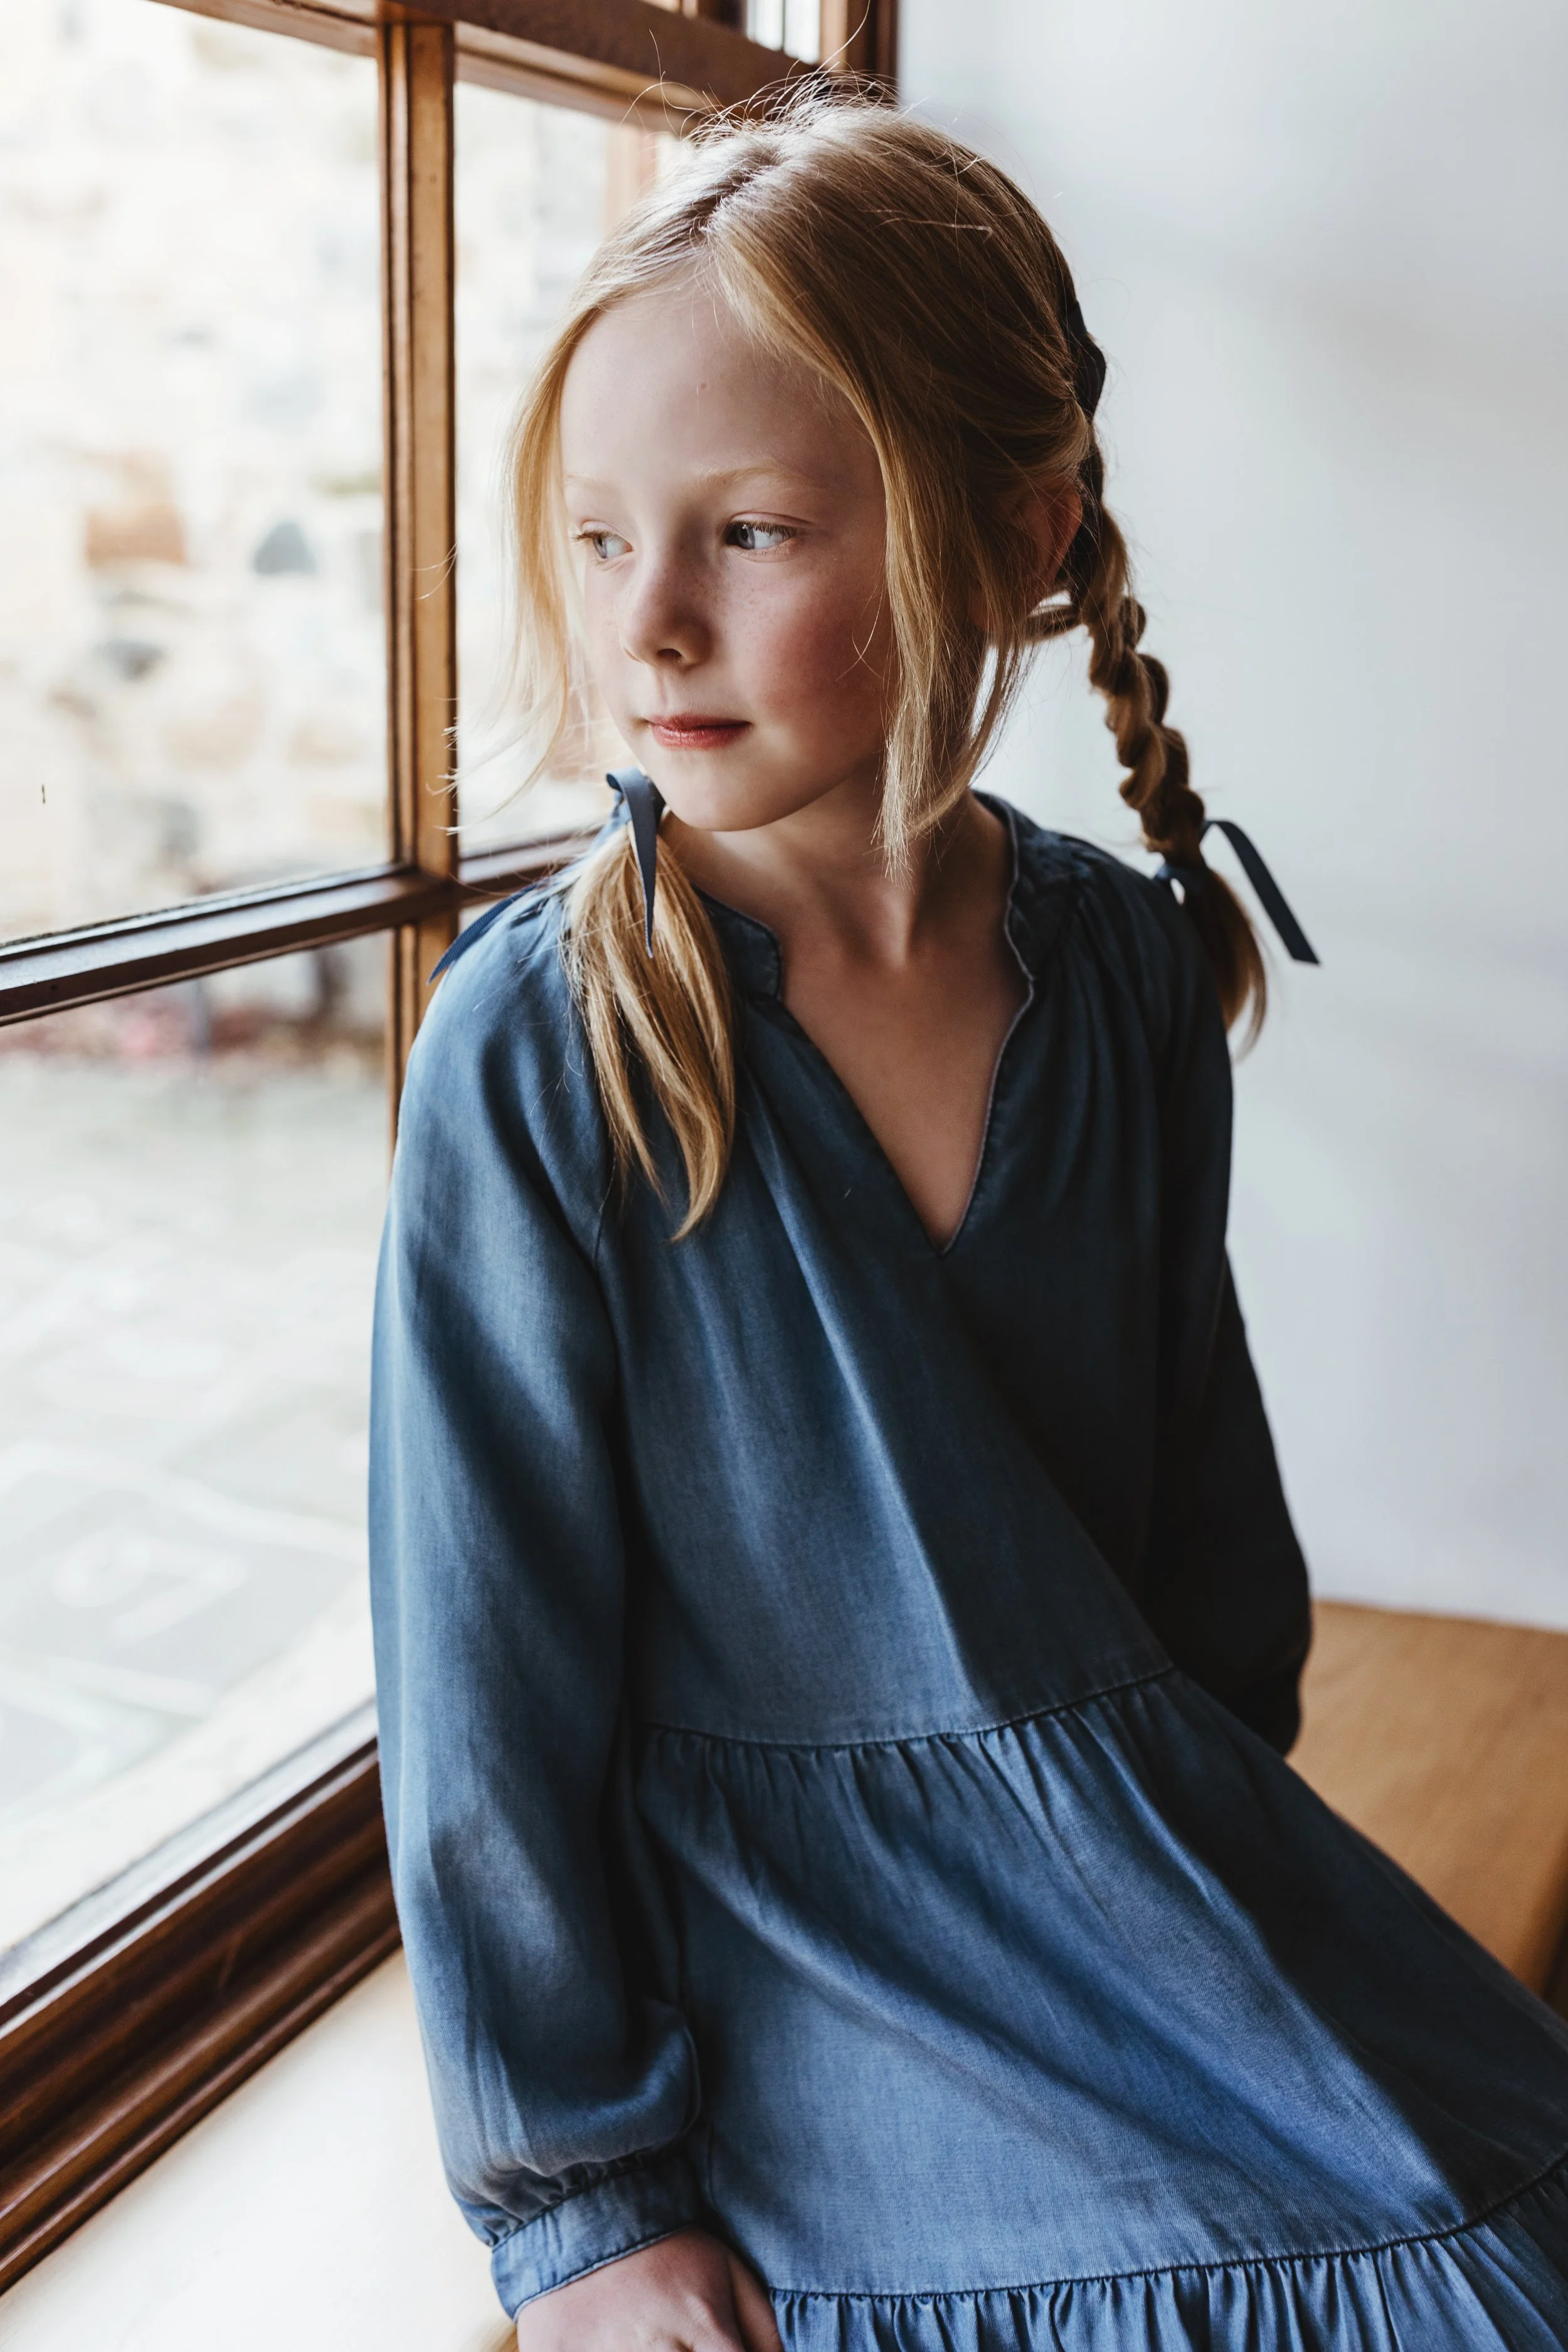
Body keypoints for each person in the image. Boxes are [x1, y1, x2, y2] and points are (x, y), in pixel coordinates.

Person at [369, 92, 1568, 2352]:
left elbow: (1202, 1531)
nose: (653, 618)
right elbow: (483, 1690)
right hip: (797, 1984)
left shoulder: (1120, 967)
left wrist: (1203, 1889)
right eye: (603, 531)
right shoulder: (549, 1047)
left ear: (1008, 536)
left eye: (749, 531)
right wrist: (582, 2208)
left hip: (1147, 1890)